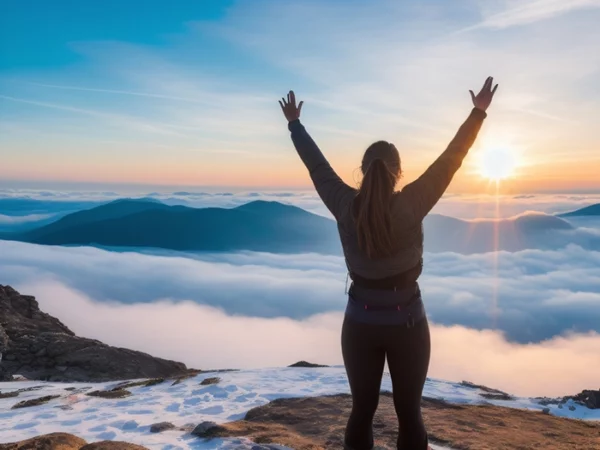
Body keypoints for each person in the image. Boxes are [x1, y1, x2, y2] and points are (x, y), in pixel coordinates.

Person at [279, 77, 498, 450]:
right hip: (408, 321)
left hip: (359, 321)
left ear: (363, 170)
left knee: (361, 411)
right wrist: (477, 113)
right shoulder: (411, 204)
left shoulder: (345, 205)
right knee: (409, 413)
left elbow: (317, 167)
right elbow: (450, 160)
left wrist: (295, 124)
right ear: (398, 172)